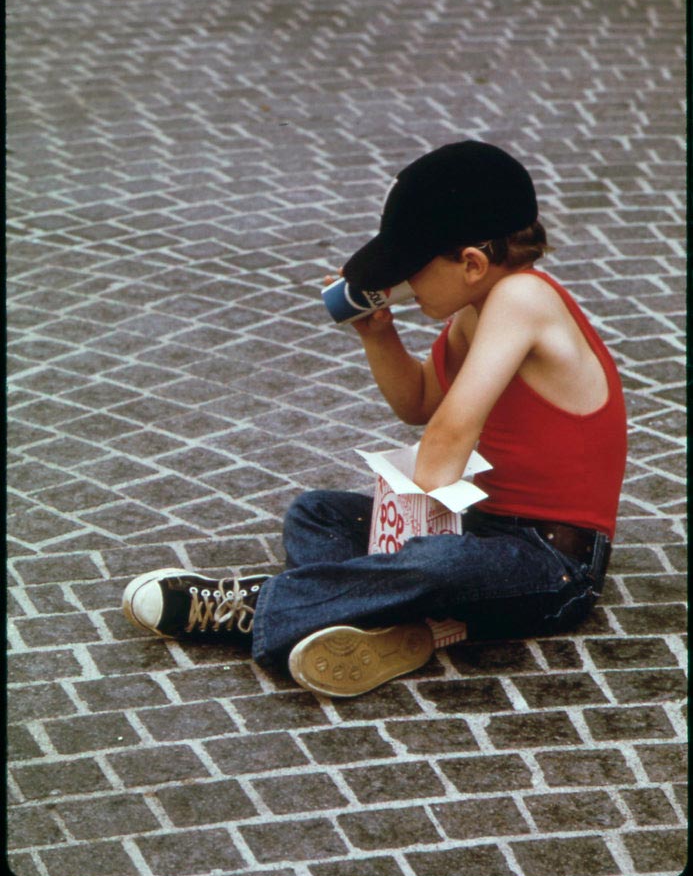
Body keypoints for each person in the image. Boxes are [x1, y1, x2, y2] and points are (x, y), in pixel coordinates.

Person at [123, 141, 627, 698]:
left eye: (411, 270)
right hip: (484, 531)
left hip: (552, 564)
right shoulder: (474, 308)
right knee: (316, 514)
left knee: (438, 561)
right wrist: (378, 332)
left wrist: (412, 545)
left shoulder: (523, 298)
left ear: (472, 263)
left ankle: (253, 607)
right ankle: (392, 622)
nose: (405, 286)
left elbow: (450, 431)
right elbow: (418, 403)